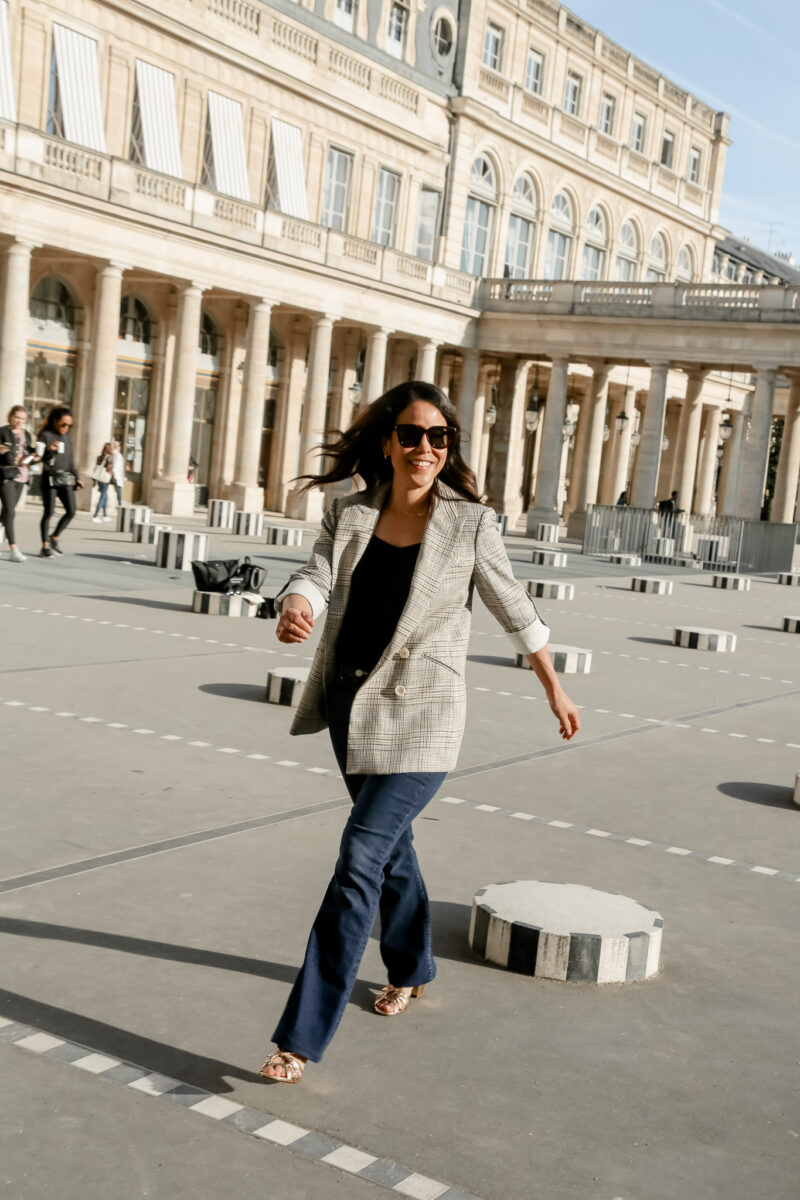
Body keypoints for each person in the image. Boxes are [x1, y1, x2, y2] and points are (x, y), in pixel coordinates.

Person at [259, 381, 581, 1085]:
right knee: (390, 854)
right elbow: (315, 575)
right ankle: (413, 966)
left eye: (440, 438)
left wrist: (552, 685)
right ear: (388, 441)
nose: (426, 449)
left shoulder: (470, 524)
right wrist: (296, 606)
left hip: (428, 717)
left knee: (358, 860)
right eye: (412, 435)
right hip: (354, 708)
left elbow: (511, 604)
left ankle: (301, 1037)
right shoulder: (349, 514)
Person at [36, 406, 84, 557]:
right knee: (49, 512)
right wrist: (50, 451)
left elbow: (70, 460)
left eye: (70, 425)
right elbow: (41, 459)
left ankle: (54, 537)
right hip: (49, 476)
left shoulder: (67, 436)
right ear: (55, 421)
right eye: (63, 424)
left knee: (71, 511)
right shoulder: (45, 435)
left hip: (64, 477)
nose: (66, 428)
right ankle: (44, 546)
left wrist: (77, 478)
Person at [0, 405, 36, 561]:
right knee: (10, 510)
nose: (19, 421)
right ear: (11, 417)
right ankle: (14, 549)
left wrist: (35, 457)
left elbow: (28, 453)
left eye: (22, 418)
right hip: (6, 475)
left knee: (9, 511)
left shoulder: (26, 434)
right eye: (16, 417)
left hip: (22, 475)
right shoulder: (2, 432)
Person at [92, 442, 114, 522]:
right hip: (105, 480)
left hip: (99, 479)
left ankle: (105, 515)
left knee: (105, 496)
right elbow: (109, 469)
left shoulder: (99, 457)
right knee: (103, 497)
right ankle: (95, 516)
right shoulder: (109, 458)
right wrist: (112, 475)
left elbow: (96, 468)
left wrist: (94, 481)